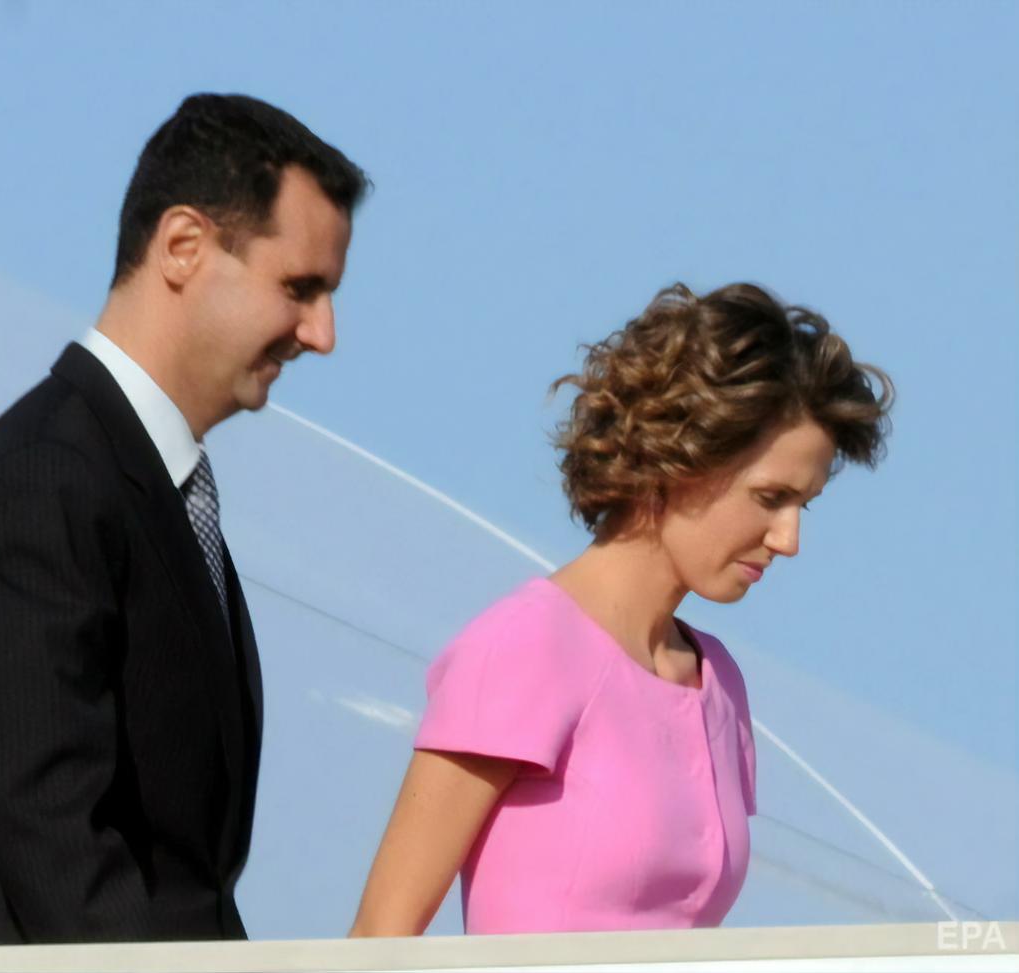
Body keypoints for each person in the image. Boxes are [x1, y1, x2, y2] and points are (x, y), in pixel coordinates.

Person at [0, 93, 367, 946]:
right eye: (299, 288)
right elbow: (59, 848)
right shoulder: (41, 484)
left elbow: (181, 874)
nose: (321, 333)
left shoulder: (139, 488)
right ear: (183, 246)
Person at [351, 282, 893, 936]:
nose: (789, 538)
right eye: (770, 497)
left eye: (802, 505)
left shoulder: (720, 683)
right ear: (679, 458)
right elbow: (380, 938)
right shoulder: (524, 645)